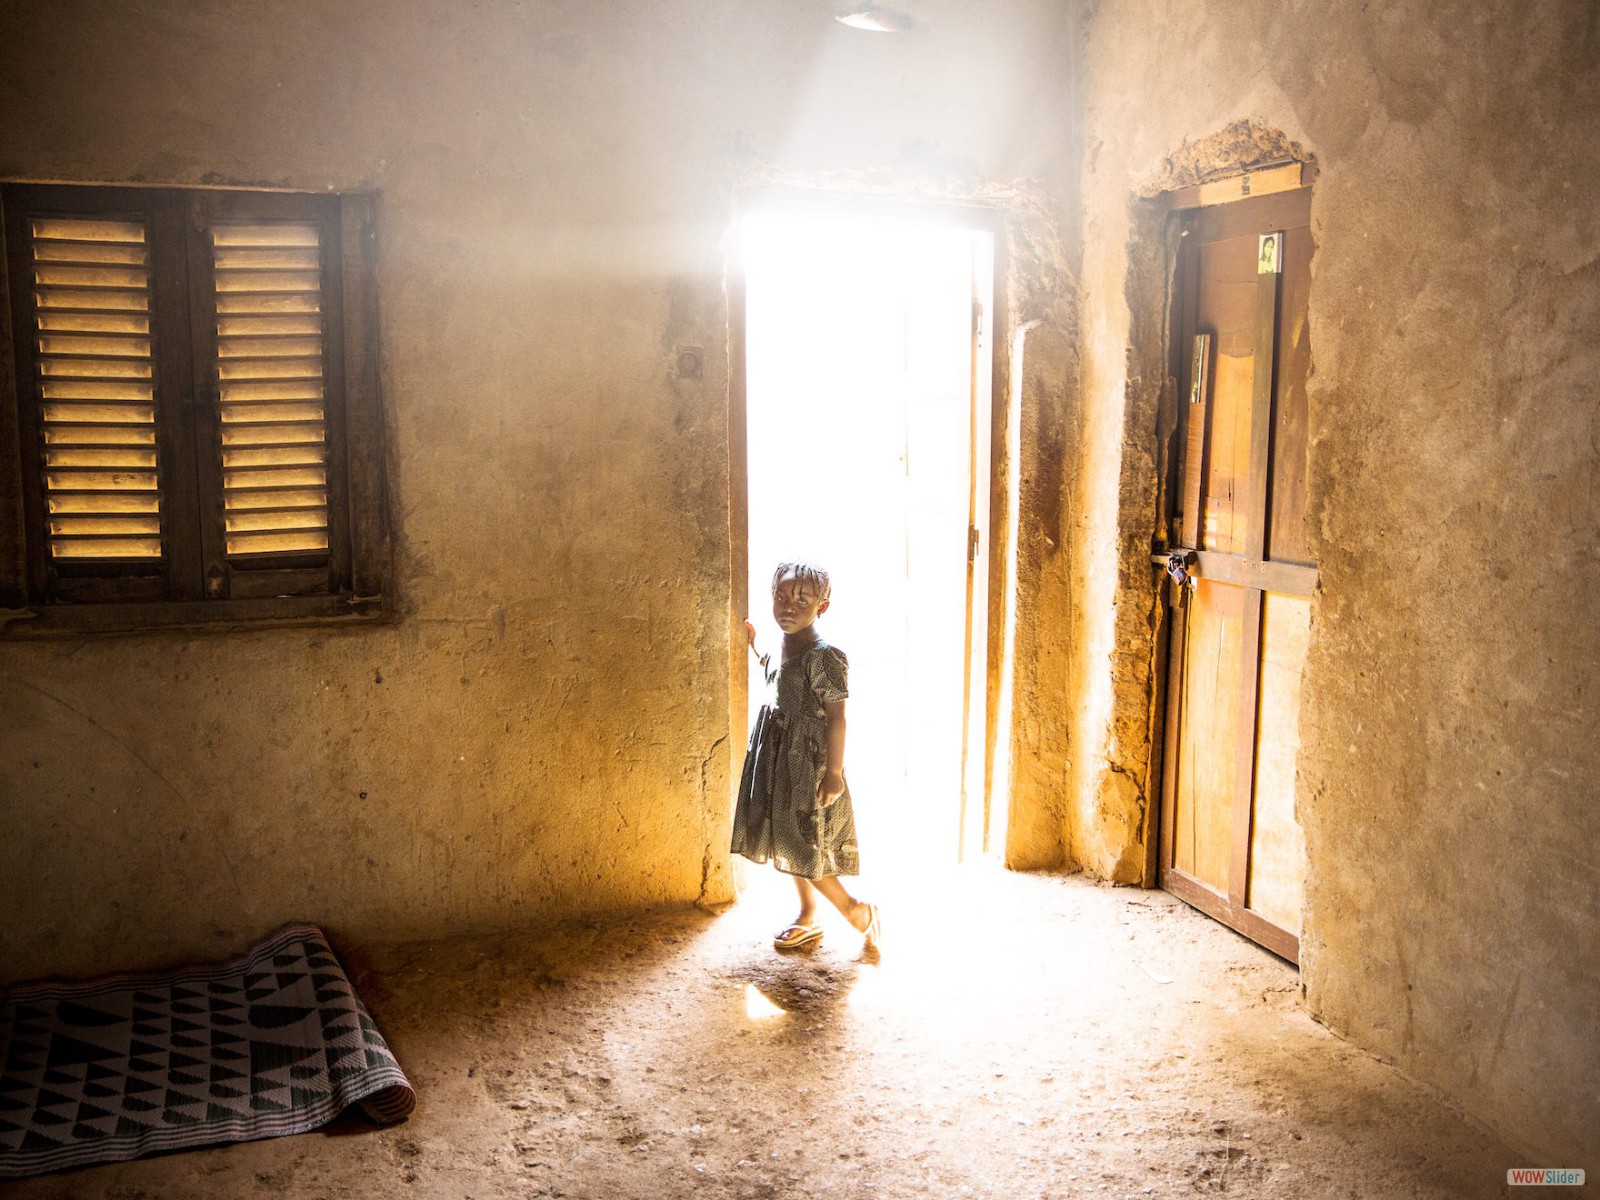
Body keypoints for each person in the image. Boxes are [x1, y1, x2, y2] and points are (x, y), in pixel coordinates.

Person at [731, 561, 881, 952]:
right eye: (781, 597)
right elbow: (772, 666)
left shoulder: (824, 657)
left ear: (823, 607)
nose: (789, 607)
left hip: (807, 765)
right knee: (784, 838)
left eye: (802, 600)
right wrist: (751, 641)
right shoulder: (782, 644)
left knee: (803, 844)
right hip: (777, 759)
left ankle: (856, 911)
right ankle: (808, 914)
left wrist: (833, 772)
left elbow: (837, 718)